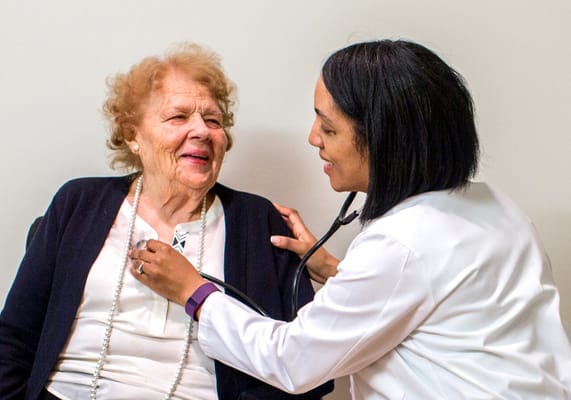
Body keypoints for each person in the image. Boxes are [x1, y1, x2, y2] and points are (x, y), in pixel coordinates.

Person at [130, 39, 571, 399]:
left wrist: (194, 292)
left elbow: (291, 361)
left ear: (383, 140)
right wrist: (335, 271)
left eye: (329, 127)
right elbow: (433, 305)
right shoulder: (494, 207)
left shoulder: (401, 245)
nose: (313, 137)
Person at [0, 42, 333, 400]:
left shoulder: (258, 221)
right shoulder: (79, 202)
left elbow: (307, 367)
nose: (202, 131)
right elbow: (13, 339)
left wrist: (331, 269)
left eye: (213, 120)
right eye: (178, 117)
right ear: (132, 136)